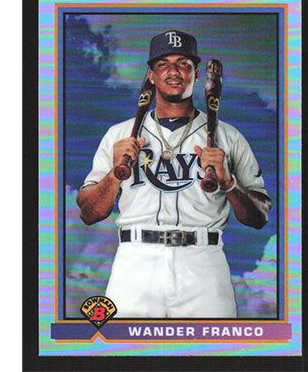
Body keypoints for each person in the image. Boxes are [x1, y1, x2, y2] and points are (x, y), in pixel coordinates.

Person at [76, 30, 271, 318]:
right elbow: (88, 213)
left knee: (215, 347)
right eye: (163, 64)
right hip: (135, 264)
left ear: (196, 74)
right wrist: (115, 175)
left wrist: (228, 183)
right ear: (151, 75)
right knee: (123, 347)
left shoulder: (228, 137)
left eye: (183, 64)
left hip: (203, 265)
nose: (174, 72)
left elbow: (259, 216)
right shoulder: (119, 135)